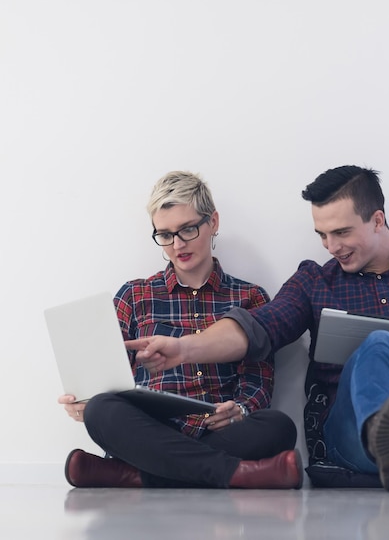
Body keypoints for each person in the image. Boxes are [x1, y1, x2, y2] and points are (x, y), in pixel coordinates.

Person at [127, 165, 389, 493]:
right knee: (381, 342)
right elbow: (259, 328)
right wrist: (183, 349)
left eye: (342, 232)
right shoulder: (315, 280)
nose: (331, 246)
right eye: (322, 234)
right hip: (353, 437)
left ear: (378, 219)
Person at [59, 170, 302, 489]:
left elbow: (258, 380)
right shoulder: (134, 296)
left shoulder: (249, 296)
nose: (177, 245)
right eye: (165, 235)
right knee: (102, 412)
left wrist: (241, 409)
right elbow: (107, 379)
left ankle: (132, 475)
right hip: (151, 430)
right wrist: (85, 399)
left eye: (188, 229)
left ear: (212, 222)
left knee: (278, 427)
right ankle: (236, 473)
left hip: (218, 430)